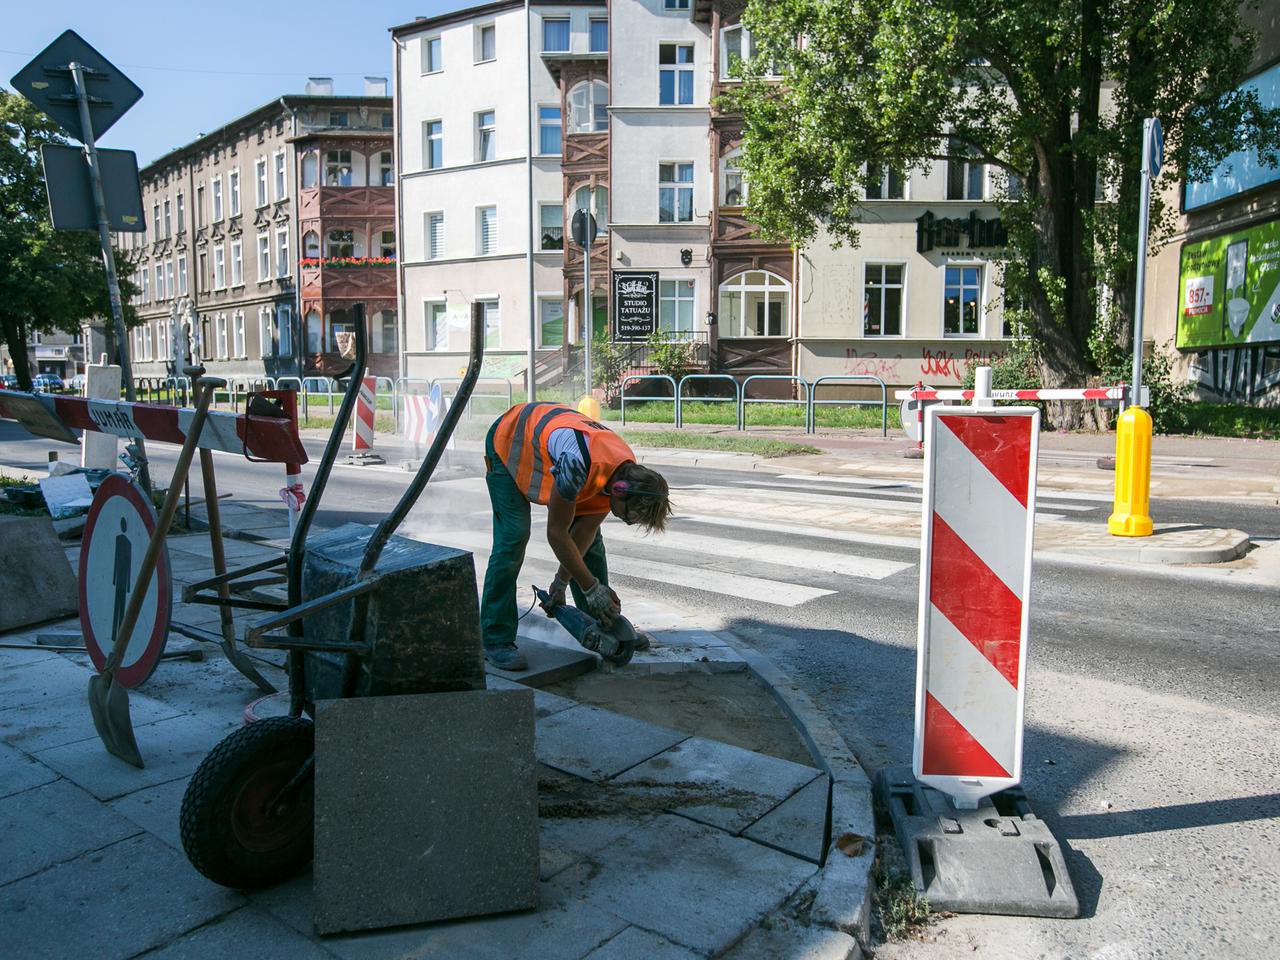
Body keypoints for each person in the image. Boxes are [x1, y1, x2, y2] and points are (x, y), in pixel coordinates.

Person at [481, 401, 672, 670]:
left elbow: (584, 532)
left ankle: (600, 623)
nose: (626, 521)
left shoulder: (623, 469)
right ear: (619, 491)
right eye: (629, 517)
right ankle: (495, 638)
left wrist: (560, 585)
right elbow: (557, 533)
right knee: (513, 537)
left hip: (549, 448)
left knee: (591, 544)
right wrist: (591, 588)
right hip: (509, 440)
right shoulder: (576, 464)